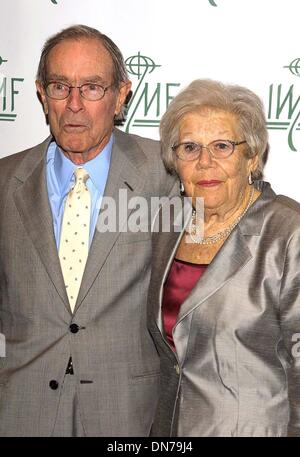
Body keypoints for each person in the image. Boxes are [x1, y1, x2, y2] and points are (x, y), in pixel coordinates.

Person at [0, 24, 176, 436]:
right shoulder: (4, 182)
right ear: (42, 94)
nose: (74, 104)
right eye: (61, 87)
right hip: (21, 411)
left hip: (129, 414)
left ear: (121, 95)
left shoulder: (167, 176)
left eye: (93, 87)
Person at [148, 79, 300, 437]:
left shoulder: (288, 233)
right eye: (189, 147)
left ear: (253, 157)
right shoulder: (168, 222)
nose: (205, 162)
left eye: (222, 146)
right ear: (175, 160)